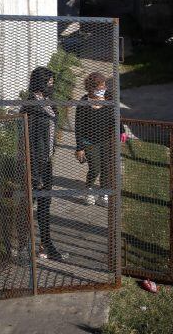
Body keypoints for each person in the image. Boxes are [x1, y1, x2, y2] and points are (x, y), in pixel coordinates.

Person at [20, 66, 68, 260]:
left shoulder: (46, 102)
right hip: (34, 163)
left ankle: (45, 245)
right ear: (40, 83)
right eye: (49, 82)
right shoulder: (31, 104)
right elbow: (28, 139)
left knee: (45, 204)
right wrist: (35, 172)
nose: (52, 85)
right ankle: (24, 248)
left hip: (46, 160)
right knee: (28, 204)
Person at [75, 72, 116, 206]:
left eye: (104, 85)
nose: (103, 89)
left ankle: (103, 194)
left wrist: (121, 130)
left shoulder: (109, 97)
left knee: (106, 168)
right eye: (100, 86)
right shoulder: (83, 102)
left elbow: (116, 117)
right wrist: (80, 148)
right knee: (95, 168)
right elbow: (78, 126)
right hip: (89, 141)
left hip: (106, 140)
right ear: (92, 88)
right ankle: (88, 189)